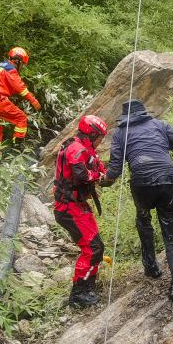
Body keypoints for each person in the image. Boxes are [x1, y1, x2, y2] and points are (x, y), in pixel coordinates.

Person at [103, 100, 173, 308]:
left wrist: (101, 182)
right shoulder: (160, 126)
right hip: (167, 179)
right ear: (144, 113)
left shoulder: (120, 134)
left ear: (125, 118)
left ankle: (151, 267)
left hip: (141, 183)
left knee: (143, 220)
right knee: (171, 235)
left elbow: (114, 171)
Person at [53, 115, 108, 308]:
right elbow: (81, 174)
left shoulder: (86, 148)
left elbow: (99, 169)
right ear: (92, 134)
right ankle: (78, 294)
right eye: (100, 137)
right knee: (92, 248)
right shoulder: (76, 148)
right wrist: (98, 176)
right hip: (68, 207)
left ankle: (87, 287)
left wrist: (106, 175)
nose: (101, 141)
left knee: (97, 247)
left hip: (77, 205)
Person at [0, 47, 41, 158]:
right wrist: (33, 100)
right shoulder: (11, 69)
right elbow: (20, 87)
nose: (22, 66)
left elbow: (3, 84)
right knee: (21, 118)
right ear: (18, 61)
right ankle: (16, 150)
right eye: (22, 64)